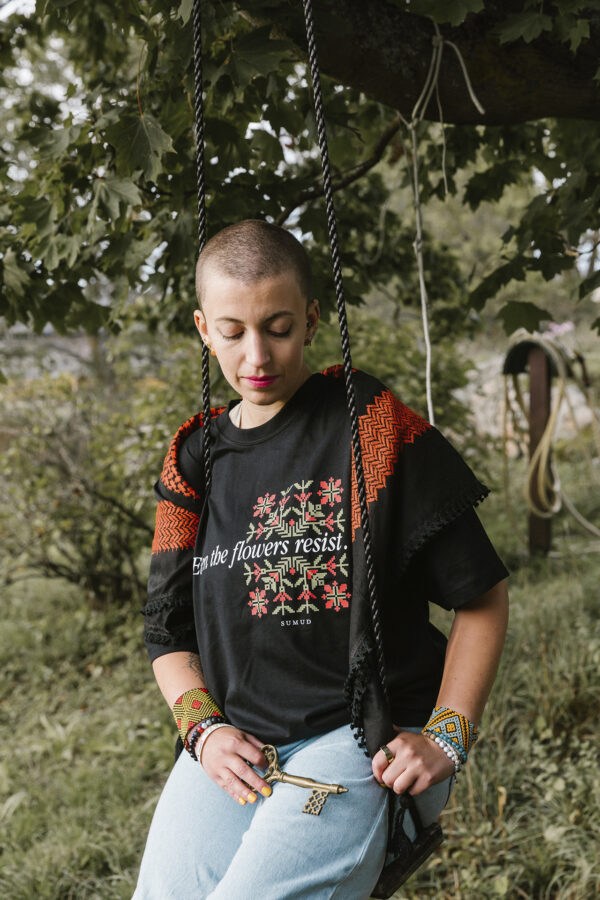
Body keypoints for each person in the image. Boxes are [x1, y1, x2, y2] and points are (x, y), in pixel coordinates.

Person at [133, 219, 509, 900]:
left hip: (364, 737)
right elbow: (166, 630)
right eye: (232, 331)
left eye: (278, 327)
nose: (257, 355)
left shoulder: (372, 428)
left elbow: (480, 598)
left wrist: (449, 737)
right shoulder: (194, 460)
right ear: (201, 328)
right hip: (238, 741)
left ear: (311, 318)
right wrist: (203, 729)